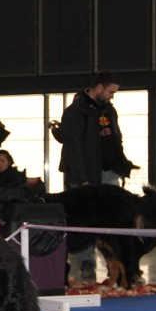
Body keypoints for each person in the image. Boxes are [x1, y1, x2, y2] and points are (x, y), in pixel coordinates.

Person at [56, 70, 138, 281]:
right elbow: (72, 148)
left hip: (108, 174)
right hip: (84, 176)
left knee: (113, 224)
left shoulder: (109, 111)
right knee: (82, 223)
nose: (113, 96)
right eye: (111, 91)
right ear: (99, 88)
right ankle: (86, 265)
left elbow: (115, 141)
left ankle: (118, 269)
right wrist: (83, 180)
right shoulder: (75, 111)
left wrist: (123, 164)